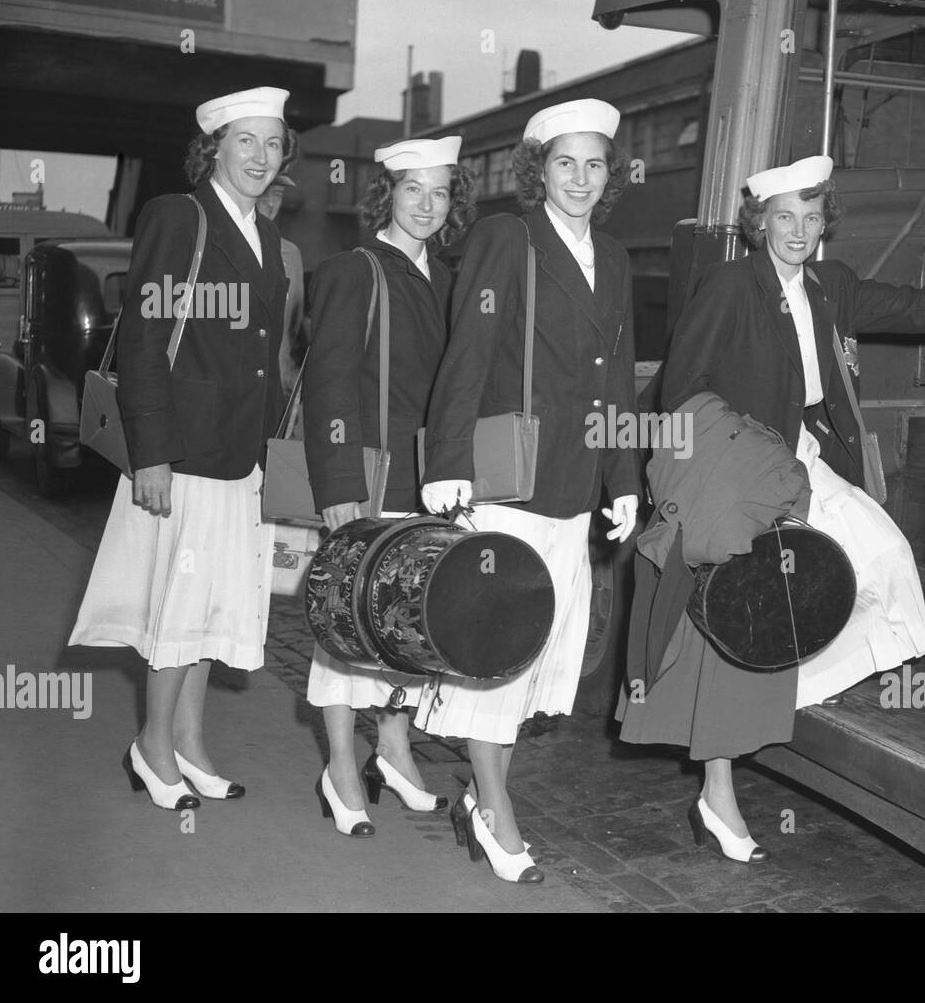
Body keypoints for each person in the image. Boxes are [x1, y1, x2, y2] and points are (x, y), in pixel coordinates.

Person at [618, 155, 925, 861]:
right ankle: (720, 793)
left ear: (826, 223)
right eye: (784, 216)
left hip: (803, 463)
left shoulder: (831, 285)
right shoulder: (731, 284)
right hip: (745, 466)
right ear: (759, 224)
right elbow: (683, 385)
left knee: (882, 560)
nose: (799, 229)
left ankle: (794, 688)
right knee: (741, 619)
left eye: (812, 216)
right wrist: (724, 464)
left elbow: (916, 308)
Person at [419, 99, 640, 883]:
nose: (580, 178)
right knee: (496, 648)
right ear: (537, 169)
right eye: (565, 163)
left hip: (575, 484)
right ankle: (494, 811)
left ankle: (484, 799)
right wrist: (449, 460)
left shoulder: (611, 258)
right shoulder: (504, 238)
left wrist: (622, 476)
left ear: (610, 174)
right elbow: (467, 355)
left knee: (535, 649)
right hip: (507, 480)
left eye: (595, 164)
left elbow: (617, 375)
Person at [69, 87, 295, 810]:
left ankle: (192, 747)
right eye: (246, 141)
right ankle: (151, 747)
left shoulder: (268, 234)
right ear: (215, 149)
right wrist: (153, 452)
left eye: (272, 143)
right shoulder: (180, 217)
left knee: (213, 611)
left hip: (243, 458)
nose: (261, 156)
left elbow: (269, 355)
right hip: (187, 454)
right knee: (177, 610)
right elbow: (141, 340)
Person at [301, 136, 476, 836]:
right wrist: (338, 480)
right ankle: (341, 762)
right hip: (368, 473)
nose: (428, 205)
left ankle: (395, 748)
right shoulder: (355, 270)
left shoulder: (449, 276)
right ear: (387, 194)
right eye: (413, 190)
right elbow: (329, 383)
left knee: (410, 620)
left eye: (440, 192)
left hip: (428, 479)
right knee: (347, 620)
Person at [255, 173, 306, 394]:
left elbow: (295, 328)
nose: (270, 203)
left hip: (277, 388)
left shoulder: (290, 254)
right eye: (263, 193)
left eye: (277, 195)